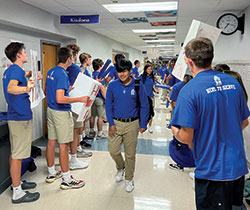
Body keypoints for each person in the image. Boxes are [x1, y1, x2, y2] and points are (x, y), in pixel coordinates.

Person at [170, 37, 250, 209]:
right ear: (211, 57)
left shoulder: (189, 90)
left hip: (212, 171)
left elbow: (185, 136)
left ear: (189, 61)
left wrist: (175, 131)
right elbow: (244, 121)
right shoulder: (233, 83)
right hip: (237, 166)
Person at [45, 47, 88, 190]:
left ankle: (51, 173)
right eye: (73, 58)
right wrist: (79, 99)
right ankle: (67, 179)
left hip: (50, 110)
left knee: (51, 142)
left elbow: (48, 91)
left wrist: (67, 89)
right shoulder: (62, 74)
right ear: (69, 59)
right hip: (60, 113)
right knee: (63, 145)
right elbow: (60, 98)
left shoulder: (51, 71)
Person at [2, 42, 40, 203]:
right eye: (24, 52)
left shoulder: (11, 69)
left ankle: (16, 184)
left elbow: (20, 77)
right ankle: (17, 193)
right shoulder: (16, 71)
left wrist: (33, 77)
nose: (26, 55)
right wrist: (27, 88)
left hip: (15, 115)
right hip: (20, 118)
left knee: (15, 153)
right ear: (18, 55)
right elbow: (11, 88)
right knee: (17, 156)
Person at [106, 59, 149, 193]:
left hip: (132, 124)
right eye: (119, 71)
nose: (122, 74)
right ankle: (121, 167)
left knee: (130, 154)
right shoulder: (112, 85)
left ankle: (129, 178)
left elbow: (144, 104)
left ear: (130, 71)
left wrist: (143, 124)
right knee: (113, 150)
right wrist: (111, 123)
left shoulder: (137, 85)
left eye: (124, 71)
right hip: (116, 123)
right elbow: (108, 105)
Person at [66, 44, 92, 163]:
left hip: (66, 104)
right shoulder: (76, 69)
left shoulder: (61, 69)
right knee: (76, 130)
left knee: (71, 130)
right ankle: (75, 152)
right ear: (74, 55)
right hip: (76, 102)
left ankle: (74, 151)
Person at [167, 74, 195, 171]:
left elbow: (173, 103)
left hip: (180, 118)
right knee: (191, 141)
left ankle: (180, 164)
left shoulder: (177, 87)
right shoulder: (196, 87)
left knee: (179, 141)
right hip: (193, 118)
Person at [78, 52, 95, 145]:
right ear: (86, 60)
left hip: (86, 96)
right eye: (89, 59)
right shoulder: (82, 70)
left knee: (84, 119)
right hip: (82, 97)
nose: (90, 61)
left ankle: (83, 135)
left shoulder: (86, 70)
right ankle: (80, 138)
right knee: (81, 119)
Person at [89, 58, 107, 140]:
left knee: (92, 115)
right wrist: (107, 99)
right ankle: (100, 134)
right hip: (99, 98)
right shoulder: (100, 75)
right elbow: (102, 89)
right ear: (100, 66)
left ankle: (91, 131)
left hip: (92, 98)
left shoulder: (92, 74)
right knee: (100, 116)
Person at [140, 64, 158, 133]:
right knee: (143, 112)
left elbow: (152, 86)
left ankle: (150, 126)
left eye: (151, 69)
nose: (150, 70)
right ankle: (142, 125)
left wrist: (155, 91)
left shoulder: (152, 77)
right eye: (149, 69)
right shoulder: (142, 77)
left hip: (151, 97)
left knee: (151, 113)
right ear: (145, 70)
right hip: (144, 98)